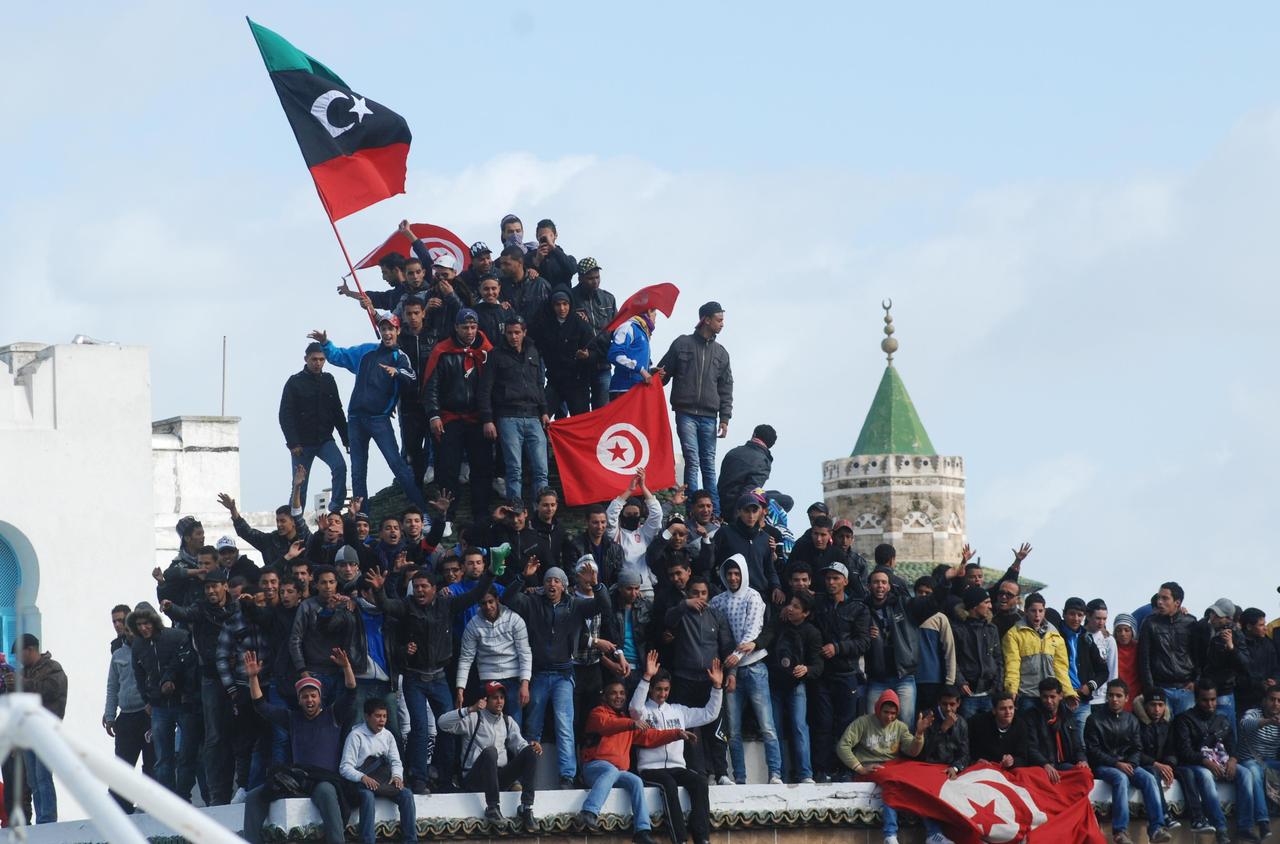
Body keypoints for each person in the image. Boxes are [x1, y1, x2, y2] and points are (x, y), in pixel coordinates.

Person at [369, 561, 493, 794]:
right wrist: (379, 589)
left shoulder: (447, 605)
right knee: (420, 728)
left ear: (435, 588)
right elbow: (385, 605)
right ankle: (419, 778)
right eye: (416, 587)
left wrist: (492, 572)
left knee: (448, 726)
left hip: (438, 677)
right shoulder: (406, 607)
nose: (419, 591)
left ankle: (445, 778)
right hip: (414, 678)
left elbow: (476, 593)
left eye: (424, 586)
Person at [501, 557, 610, 788]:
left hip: (563, 675)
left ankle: (567, 776)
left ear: (563, 585)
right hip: (539, 673)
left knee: (564, 724)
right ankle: (527, 771)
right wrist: (522, 576)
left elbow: (604, 607)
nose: (552, 584)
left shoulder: (575, 605)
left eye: (557, 581)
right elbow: (508, 599)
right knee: (533, 725)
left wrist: (596, 585)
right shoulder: (532, 602)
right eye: (548, 580)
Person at [309, 315, 431, 512]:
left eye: (391, 329)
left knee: (397, 466)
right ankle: (361, 519)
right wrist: (325, 343)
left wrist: (397, 372)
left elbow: (412, 377)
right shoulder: (366, 351)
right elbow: (339, 356)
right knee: (358, 473)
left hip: (379, 420)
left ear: (398, 331)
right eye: (383, 329)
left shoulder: (400, 357)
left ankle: (423, 512)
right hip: (356, 419)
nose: (387, 333)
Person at [241, 648, 358, 844]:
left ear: (320, 698)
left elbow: (351, 692)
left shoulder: (333, 716)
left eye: (313, 695)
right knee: (253, 796)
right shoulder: (291, 719)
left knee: (327, 792)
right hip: (298, 779)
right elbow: (261, 706)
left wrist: (346, 667)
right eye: (305, 696)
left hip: (324, 780)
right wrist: (253, 677)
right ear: (299, 700)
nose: (309, 700)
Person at [577, 678, 687, 844]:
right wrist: (631, 723)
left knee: (636, 781)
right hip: (594, 768)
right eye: (613, 693)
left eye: (621, 693)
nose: (618, 696)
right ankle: (588, 811)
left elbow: (650, 736)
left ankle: (642, 831)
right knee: (611, 770)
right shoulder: (598, 714)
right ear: (604, 696)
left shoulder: (627, 722)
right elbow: (609, 725)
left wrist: (677, 734)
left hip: (616, 773)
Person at [630, 651, 724, 844]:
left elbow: (709, 714)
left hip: (677, 767)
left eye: (666, 689)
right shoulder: (644, 712)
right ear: (650, 689)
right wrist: (646, 677)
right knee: (669, 785)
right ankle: (679, 839)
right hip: (651, 769)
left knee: (699, 782)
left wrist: (717, 687)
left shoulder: (678, 711)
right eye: (658, 689)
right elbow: (634, 709)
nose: (662, 694)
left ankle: (702, 838)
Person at [162, 568, 238, 805]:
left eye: (215, 586)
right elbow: (184, 613)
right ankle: (217, 795)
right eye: (208, 587)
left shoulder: (237, 608)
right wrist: (168, 606)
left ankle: (240, 787)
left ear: (225, 586)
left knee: (240, 736)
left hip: (239, 678)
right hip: (211, 679)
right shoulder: (201, 608)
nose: (211, 591)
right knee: (214, 737)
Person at [711, 554, 783, 784]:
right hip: (731, 671)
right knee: (733, 730)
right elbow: (719, 635)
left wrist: (735, 656)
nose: (733, 578)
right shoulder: (717, 601)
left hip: (754, 667)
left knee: (767, 725)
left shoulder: (754, 597)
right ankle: (739, 777)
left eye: (736, 573)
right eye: (729, 573)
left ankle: (775, 773)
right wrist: (730, 663)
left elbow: (751, 633)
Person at [656, 301, 733, 514]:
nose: (722, 324)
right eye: (719, 320)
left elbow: (726, 387)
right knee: (692, 458)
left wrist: (725, 418)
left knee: (707, 463)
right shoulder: (682, 344)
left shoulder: (721, 353)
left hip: (710, 415)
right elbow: (663, 374)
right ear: (706, 320)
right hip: (686, 411)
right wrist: (655, 375)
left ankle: (713, 513)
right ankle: (693, 508)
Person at [661, 576, 736, 784]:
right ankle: (696, 773)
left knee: (718, 727)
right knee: (689, 729)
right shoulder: (681, 613)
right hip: (684, 678)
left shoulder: (717, 616)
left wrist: (731, 674)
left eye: (703, 593)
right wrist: (684, 604)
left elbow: (727, 648)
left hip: (712, 679)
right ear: (687, 593)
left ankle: (721, 773)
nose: (699, 597)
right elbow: (667, 620)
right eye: (695, 593)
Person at [438, 682, 541, 830]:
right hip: (474, 778)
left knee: (530, 751)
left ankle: (526, 807)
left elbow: (520, 745)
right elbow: (442, 723)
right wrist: (469, 709)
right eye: (494, 698)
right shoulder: (473, 718)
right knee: (490, 751)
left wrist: (532, 747)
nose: (499, 701)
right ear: (484, 700)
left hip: (499, 778)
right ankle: (493, 807)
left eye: (501, 698)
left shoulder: (508, 721)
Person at [424, 308, 495, 522]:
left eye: (473, 327)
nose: (470, 331)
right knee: (448, 468)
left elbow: (494, 386)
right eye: (465, 327)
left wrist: (490, 417)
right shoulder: (442, 351)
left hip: (477, 417)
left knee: (482, 467)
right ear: (456, 327)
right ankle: (447, 516)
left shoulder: (486, 351)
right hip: (450, 417)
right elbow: (431, 385)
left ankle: (481, 512)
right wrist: (434, 415)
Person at [1174, 680, 1263, 843]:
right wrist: (1205, 761)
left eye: (1213, 699)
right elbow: (1184, 752)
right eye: (1205, 700)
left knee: (1245, 774)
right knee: (1206, 776)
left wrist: (1233, 760)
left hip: (1222, 763)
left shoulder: (1223, 719)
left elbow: (1233, 747)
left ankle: (1245, 828)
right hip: (1197, 766)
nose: (1210, 704)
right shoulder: (1184, 720)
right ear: (1196, 699)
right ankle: (1220, 828)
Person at [835, 689, 928, 844]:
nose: (889, 717)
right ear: (878, 708)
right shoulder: (862, 722)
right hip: (870, 768)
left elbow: (912, 751)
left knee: (921, 781)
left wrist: (919, 734)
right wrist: (859, 768)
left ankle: (933, 833)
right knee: (890, 783)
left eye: (893, 713)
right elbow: (842, 746)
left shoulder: (900, 727)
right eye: (886, 712)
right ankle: (890, 835)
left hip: (894, 767)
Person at [1085, 679, 1172, 844]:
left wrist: (1131, 764)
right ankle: (1120, 832)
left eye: (1118, 696)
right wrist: (1116, 764)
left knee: (1148, 777)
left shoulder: (1131, 720)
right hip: (1104, 766)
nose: (1114, 699)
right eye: (1111, 695)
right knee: (1120, 778)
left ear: (1126, 698)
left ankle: (1156, 829)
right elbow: (1093, 751)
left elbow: (1137, 748)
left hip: (1128, 764)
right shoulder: (1094, 720)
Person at [128, 602, 200, 798]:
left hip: (183, 703)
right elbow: (139, 675)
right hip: (159, 706)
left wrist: (180, 687)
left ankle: (183, 795)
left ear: (154, 621)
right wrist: (147, 700)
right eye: (139, 624)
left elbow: (187, 664)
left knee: (186, 754)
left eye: (146, 623)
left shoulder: (176, 636)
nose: (143, 628)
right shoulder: (138, 646)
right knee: (162, 758)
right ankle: (168, 801)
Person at [809, 561, 872, 782]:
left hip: (847, 675)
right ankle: (821, 770)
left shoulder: (859, 609)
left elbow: (864, 643)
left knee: (846, 727)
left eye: (836, 578)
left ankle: (846, 770)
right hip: (823, 677)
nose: (831, 582)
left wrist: (838, 648)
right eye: (828, 578)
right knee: (822, 724)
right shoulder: (817, 605)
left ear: (845, 581)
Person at [477, 316, 549, 503]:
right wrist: (487, 419)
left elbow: (539, 383)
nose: (513, 336)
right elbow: (485, 389)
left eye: (517, 332)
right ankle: (515, 511)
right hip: (507, 416)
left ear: (524, 332)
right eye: (509, 333)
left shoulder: (533, 351)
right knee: (514, 469)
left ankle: (541, 513)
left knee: (541, 470)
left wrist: (545, 411)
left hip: (534, 416)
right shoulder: (496, 355)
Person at [3, 635, 67, 823]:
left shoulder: (53, 668)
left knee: (43, 777)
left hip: (47, 731)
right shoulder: (25, 673)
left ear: (31, 649)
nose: (19, 659)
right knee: (33, 780)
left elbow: (50, 690)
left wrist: (21, 683)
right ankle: (41, 819)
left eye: (20, 654)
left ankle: (47, 818)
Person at [279, 341, 349, 512]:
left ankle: (335, 509)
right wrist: (293, 443)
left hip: (325, 439)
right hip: (302, 444)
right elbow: (285, 415)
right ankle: (295, 522)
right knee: (300, 486)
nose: (318, 363)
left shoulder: (329, 380)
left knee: (340, 467)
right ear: (306, 359)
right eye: (314, 359)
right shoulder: (294, 382)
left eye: (321, 360)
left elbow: (337, 411)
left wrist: (347, 439)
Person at [339, 699, 419, 844]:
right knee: (367, 796)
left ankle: (411, 840)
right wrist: (362, 777)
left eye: (384, 716)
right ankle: (367, 840)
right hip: (360, 783)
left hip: (382, 781)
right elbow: (345, 767)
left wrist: (396, 776)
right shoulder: (356, 736)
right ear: (367, 716)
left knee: (406, 794)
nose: (382, 720)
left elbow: (396, 761)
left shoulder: (388, 735)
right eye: (377, 716)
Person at [767, 589, 823, 783]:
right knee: (774, 728)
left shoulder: (812, 633)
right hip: (774, 684)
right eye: (790, 604)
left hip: (796, 686)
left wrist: (806, 669)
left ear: (805, 613)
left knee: (799, 727)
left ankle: (805, 773)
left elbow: (818, 665)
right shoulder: (779, 623)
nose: (790, 609)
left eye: (796, 607)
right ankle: (777, 774)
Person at [455, 586, 532, 726]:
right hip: (487, 680)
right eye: (483, 603)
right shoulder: (473, 625)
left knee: (514, 726)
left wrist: (524, 683)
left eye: (491, 601)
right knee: (489, 726)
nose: (488, 606)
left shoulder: (514, 619)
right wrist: (460, 689)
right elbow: (466, 658)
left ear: (497, 600)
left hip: (513, 679)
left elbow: (525, 653)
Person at [104, 608, 155, 813]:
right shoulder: (117, 654)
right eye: (117, 623)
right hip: (126, 716)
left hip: (148, 714)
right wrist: (109, 715)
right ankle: (122, 808)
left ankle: (150, 804)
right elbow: (112, 686)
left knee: (152, 763)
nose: (123, 628)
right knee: (122, 765)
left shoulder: (150, 649)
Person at [1002, 592, 1075, 714]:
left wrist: (1068, 692)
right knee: (1029, 731)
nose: (1037, 615)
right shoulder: (1013, 634)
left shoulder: (1055, 635)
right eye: (1033, 611)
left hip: (1050, 695)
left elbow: (1061, 668)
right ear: (1025, 611)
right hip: (1027, 694)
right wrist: (1012, 691)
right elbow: (1012, 665)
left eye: (1041, 611)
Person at [531, 289, 596, 417]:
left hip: (577, 382)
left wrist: (587, 356)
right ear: (552, 306)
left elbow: (596, 352)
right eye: (558, 304)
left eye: (565, 304)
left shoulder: (581, 325)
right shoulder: (545, 325)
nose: (562, 308)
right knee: (541, 417)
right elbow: (534, 345)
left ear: (570, 304)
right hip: (554, 381)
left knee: (580, 422)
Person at [918, 687, 971, 844]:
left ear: (958, 704)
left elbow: (965, 754)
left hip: (950, 769)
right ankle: (933, 834)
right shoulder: (928, 718)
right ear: (938, 703)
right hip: (928, 766)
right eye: (944, 704)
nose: (948, 708)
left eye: (952, 704)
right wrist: (943, 729)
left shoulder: (962, 723)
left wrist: (955, 768)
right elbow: (923, 752)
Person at [714, 491, 785, 607]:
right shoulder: (725, 533)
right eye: (747, 511)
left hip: (759, 598)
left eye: (754, 511)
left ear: (760, 512)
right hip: (730, 597)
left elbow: (769, 569)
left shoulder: (765, 538)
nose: (751, 516)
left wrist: (776, 587)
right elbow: (713, 563)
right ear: (739, 511)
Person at [1138, 581, 1198, 716]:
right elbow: (1143, 659)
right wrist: (1150, 690)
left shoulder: (1190, 622)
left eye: (1165, 598)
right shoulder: (1149, 623)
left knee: (1185, 731)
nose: (1159, 602)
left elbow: (1199, 655)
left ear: (1177, 602)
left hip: (1186, 688)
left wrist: (1196, 681)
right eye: (1159, 597)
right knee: (1163, 733)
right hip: (1160, 689)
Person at [1194, 598, 1248, 742]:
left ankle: (1230, 760)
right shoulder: (1205, 628)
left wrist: (1231, 647)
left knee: (1226, 731)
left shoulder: (1236, 634)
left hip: (1224, 690)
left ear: (1228, 618)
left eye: (1218, 615)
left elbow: (1245, 665)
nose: (1213, 617)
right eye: (1213, 613)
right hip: (1204, 689)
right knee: (1205, 732)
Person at [1057, 596, 1108, 747]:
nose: (1076, 618)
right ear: (1064, 614)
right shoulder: (1054, 635)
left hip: (1083, 700)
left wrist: (1089, 686)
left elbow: (1103, 671)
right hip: (1060, 698)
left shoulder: (1087, 639)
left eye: (1080, 615)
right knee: (1061, 742)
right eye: (1072, 614)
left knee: (1082, 744)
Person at [606, 469, 664, 597]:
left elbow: (657, 514)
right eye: (628, 514)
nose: (632, 517)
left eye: (635, 514)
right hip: (622, 590)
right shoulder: (616, 533)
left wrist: (643, 486)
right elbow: (610, 515)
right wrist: (630, 490)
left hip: (645, 588)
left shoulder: (645, 532)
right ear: (622, 515)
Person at [570, 257, 616, 410]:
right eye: (590, 278)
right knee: (581, 413)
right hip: (579, 366)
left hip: (603, 363)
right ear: (580, 278)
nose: (595, 281)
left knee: (603, 411)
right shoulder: (570, 298)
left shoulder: (608, 299)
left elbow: (617, 329)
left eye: (597, 277)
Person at [952, 585, 1003, 718]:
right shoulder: (958, 630)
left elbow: (998, 659)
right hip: (968, 695)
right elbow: (952, 660)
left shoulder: (992, 629)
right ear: (974, 606)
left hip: (990, 694)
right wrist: (961, 682)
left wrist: (997, 685)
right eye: (986, 602)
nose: (990, 606)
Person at [1024, 677, 1088, 783]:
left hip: (1064, 765)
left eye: (1052, 697)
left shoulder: (1068, 716)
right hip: (1041, 766)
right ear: (1040, 696)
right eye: (1045, 697)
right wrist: (1045, 764)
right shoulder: (1031, 717)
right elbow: (1031, 748)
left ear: (1061, 696)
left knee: (1085, 773)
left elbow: (1077, 746)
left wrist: (1082, 760)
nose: (1049, 701)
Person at [1238, 686, 1280, 842]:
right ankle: (1263, 823)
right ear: (1265, 700)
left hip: (1270, 764)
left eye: (1279, 701)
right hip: (1250, 761)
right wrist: (1269, 721)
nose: (1275, 703)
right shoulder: (1253, 713)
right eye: (1272, 699)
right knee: (1254, 773)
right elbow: (1245, 724)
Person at [716, 425, 776, 510]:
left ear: (754, 434)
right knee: (787, 501)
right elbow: (749, 492)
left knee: (775, 493)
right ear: (770, 444)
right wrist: (737, 519)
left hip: (720, 501)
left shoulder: (734, 451)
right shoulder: (763, 461)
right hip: (734, 509)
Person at [968, 691, 1029, 769]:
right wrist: (975, 760)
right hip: (981, 769)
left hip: (1006, 771)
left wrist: (1013, 761)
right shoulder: (977, 722)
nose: (1008, 712)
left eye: (1011, 708)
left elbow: (1023, 758)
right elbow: (967, 749)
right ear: (994, 710)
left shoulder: (1021, 725)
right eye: (1003, 709)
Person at [608, 308, 659, 398]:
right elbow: (614, 355)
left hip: (637, 390)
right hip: (623, 391)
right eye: (655, 314)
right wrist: (641, 370)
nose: (656, 319)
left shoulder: (643, 332)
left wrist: (650, 372)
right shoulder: (628, 326)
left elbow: (636, 362)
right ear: (649, 311)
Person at [498, 244, 549, 324]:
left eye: (507, 264)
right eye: (501, 264)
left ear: (520, 262)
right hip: (511, 334)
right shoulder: (499, 286)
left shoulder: (540, 285)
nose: (502, 268)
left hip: (536, 334)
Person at [527, 219, 578, 291]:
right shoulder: (529, 257)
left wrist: (554, 248)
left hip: (561, 298)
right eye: (541, 236)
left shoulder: (565, 258)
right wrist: (537, 262)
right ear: (537, 237)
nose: (546, 239)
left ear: (555, 235)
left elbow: (572, 269)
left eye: (549, 236)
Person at [1113, 613, 1142, 710]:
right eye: (1119, 630)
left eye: (1126, 630)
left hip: (1137, 694)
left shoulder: (1140, 648)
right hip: (1116, 694)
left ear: (1133, 631)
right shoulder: (1111, 647)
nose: (1123, 634)